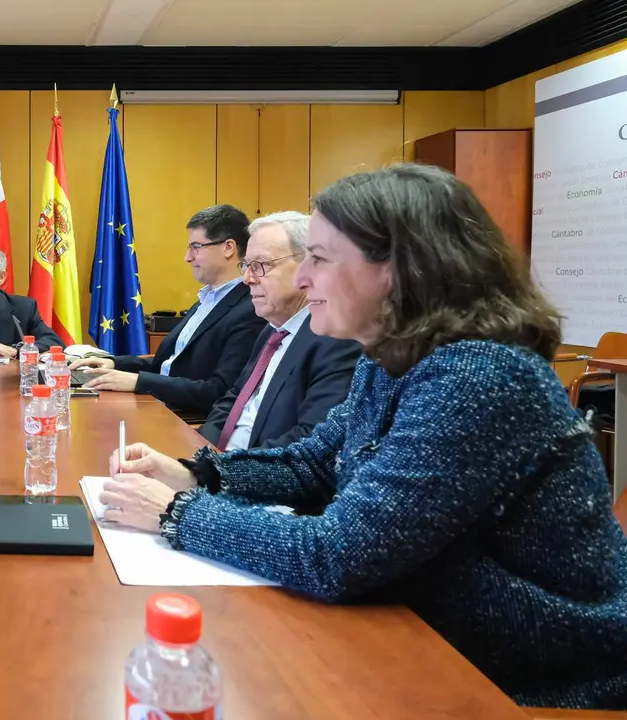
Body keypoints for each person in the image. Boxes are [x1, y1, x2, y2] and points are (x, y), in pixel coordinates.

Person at [99, 164, 627, 710]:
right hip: (430, 638)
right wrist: (196, 473)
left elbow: (340, 555)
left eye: (320, 259)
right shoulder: (392, 356)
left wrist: (175, 513)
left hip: (536, 685)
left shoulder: (481, 377)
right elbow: (313, 465)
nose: (302, 279)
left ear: (399, 269)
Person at [75, 205, 266, 423]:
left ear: (228, 248)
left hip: (184, 419)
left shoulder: (250, 310)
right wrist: (113, 363)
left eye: (196, 247)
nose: (187, 257)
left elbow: (219, 392)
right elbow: (169, 364)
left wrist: (139, 382)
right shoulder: (207, 300)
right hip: (159, 404)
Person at [200, 211, 359, 452]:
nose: (247, 279)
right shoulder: (273, 330)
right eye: (246, 265)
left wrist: (215, 471)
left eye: (260, 265)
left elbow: (310, 442)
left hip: (254, 476)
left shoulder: (336, 339)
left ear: (309, 265)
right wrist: (198, 450)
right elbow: (234, 397)